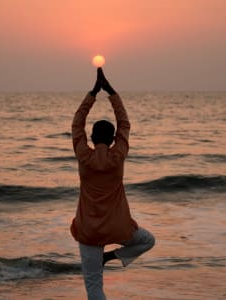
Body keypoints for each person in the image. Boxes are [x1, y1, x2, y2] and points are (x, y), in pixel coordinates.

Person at [71, 68, 155, 300]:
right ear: (112, 139)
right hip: (117, 226)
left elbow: (77, 125)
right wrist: (110, 91)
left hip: (89, 230)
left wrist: (92, 94)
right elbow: (124, 124)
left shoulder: (83, 156)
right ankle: (113, 256)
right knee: (148, 241)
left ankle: (105, 258)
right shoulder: (118, 156)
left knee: (94, 286)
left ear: (91, 138)